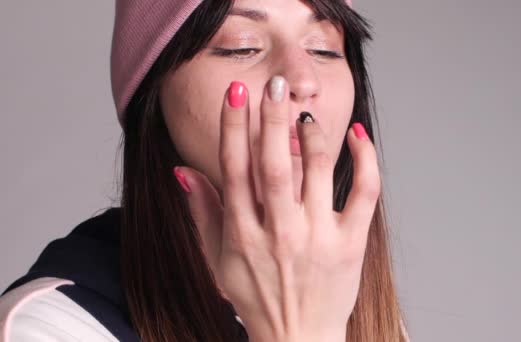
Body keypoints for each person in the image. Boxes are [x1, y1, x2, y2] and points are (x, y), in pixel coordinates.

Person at [0, 0, 410, 341]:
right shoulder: (49, 327)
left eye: (325, 48)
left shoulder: (352, 306)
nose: (302, 79)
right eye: (241, 46)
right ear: (152, 89)